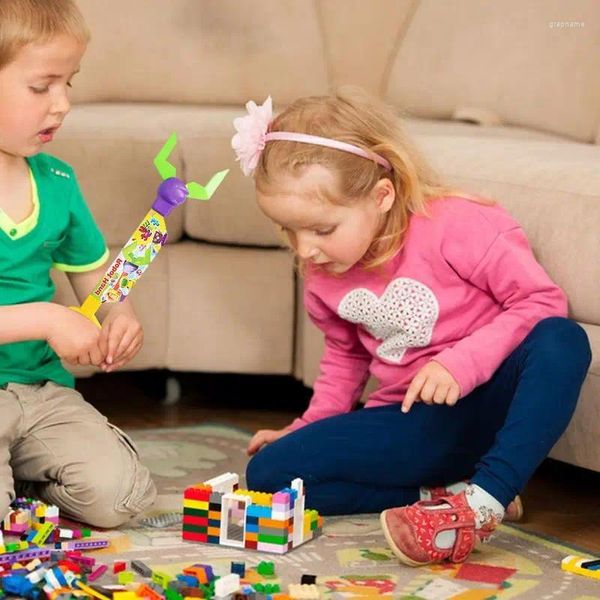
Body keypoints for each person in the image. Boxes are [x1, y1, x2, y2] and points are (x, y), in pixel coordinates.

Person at [231, 90, 591, 565]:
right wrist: (304, 428)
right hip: (412, 420)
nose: (304, 250)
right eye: (288, 231)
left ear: (382, 196)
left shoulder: (460, 224)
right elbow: (345, 357)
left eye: (321, 230)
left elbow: (540, 301)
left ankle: (487, 500)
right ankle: (443, 494)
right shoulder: (321, 272)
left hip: (493, 404)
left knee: (563, 340)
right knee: (269, 474)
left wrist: (460, 363)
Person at [0, 0, 156, 528]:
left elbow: (97, 277)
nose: (62, 103)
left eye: (69, 84)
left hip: (42, 391)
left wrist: (119, 315)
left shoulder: (58, 182)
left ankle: (23, 476)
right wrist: (47, 318)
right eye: (42, 87)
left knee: (121, 498)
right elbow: (51, 315)